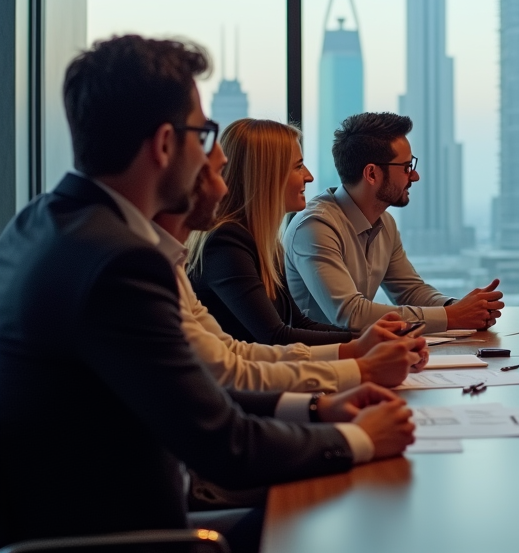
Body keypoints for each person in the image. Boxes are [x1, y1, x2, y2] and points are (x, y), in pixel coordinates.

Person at [0, 36, 415, 553]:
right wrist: (360, 437)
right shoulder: (120, 263)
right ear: (165, 144)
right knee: (358, 523)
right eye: (204, 135)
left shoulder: (42, 223)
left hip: (97, 530)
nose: (214, 156)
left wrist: (316, 410)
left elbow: (197, 392)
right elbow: (223, 445)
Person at [155, 143, 427, 393]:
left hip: (264, 386)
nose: (309, 176)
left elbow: (295, 323)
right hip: (249, 395)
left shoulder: (265, 242)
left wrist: (366, 340)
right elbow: (272, 337)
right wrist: (359, 352)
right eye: (298, 166)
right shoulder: (227, 242)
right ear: (266, 177)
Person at [284, 112, 504, 333]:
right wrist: (452, 316)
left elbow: (410, 291)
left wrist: (460, 307)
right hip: (318, 361)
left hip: (359, 355)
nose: (415, 176)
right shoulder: (315, 227)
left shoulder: (384, 222)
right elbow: (350, 313)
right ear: (372, 174)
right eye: (407, 167)